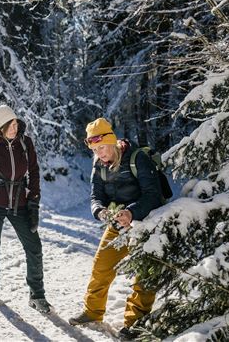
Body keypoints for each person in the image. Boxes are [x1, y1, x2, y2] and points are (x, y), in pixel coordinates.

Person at [69, 118, 163, 341]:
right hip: (117, 224)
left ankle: (135, 323)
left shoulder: (137, 158)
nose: (99, 153)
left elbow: (153, 194)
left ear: (112, 142)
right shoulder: (98, 164)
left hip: (145, 223)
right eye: (94, 149)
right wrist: (99, 210)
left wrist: (131, 212)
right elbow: (95, 196)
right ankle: (92, 312)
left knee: (143, 276)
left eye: (102, 147)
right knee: (101, 267)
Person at [0, 105, 52, 313]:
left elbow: (33, 172)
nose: (15, 128)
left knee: (34, 247)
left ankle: (37, 294)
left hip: (20, 203)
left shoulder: (25, 143)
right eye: (11, 125)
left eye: (16, 123)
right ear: (0, 127)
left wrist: (34, 202)